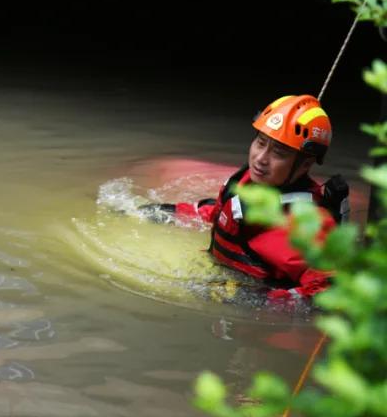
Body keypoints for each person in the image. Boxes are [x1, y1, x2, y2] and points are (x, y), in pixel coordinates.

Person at [147, 95, 349, 300]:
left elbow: (326, 294)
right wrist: (167, 212)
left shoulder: (311, 226)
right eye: (261, 143)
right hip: (217, 280)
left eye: (278, 153)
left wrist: (254, 299)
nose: (261, 159)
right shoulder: (245, 181)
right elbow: (219, 214)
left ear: (305, 164)